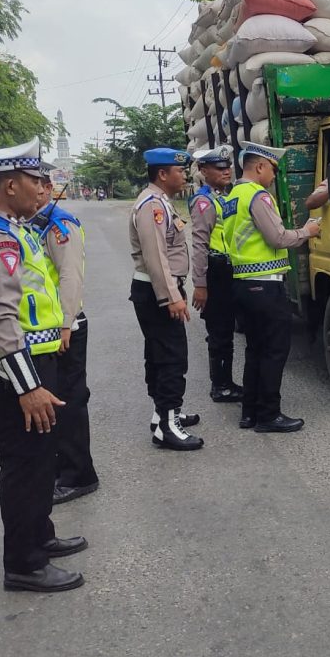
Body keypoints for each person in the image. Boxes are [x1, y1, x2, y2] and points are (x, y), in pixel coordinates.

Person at [0, 138, 86, 592]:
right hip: (18, 368)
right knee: (25, 463)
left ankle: (41, 535)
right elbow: (1, 318)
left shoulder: (13, 228)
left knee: (41, 457)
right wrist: (29, 387)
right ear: (10, 185)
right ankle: (24, 563)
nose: (43, 187)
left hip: (34, 360)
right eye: (35, 179)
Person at [221, 142, 321, 432]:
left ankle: (250, 412)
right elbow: (278, 238)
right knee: (275, 351)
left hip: (243, 283)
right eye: (273, 171)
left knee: (256, 349)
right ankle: (269, 415)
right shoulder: (257, 196)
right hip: (264, 286)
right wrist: (308, 231)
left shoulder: (234, 195)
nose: (274, 177)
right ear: (260, 167)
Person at [29, 166, 100, 506]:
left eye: (34, 185)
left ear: (45, 189)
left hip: (65, 328)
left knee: (70, 403)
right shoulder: (35, 224)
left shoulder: (59, 225)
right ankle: (64, 468)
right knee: (58, 401)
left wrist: (66, 323)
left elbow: (70, 276)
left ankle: (79, 475)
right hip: (52, 328)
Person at [129, 148, 203, 451]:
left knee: (161, 354)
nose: (184, 175)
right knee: (171, 357)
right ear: (163, 174)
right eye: (179, 171)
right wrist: (172, 297)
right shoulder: (151, 206)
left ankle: (164, 414)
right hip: (159, 291)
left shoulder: (161, 201)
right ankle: (167, 427)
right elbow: (156, 256)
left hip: (158, 289)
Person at [189, 145, 244, 403]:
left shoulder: (222, 196)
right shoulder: (203, 202)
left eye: (227, 167)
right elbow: (199, 244)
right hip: (215, 270)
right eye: (219, 168)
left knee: (225, 329)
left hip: (227, 269)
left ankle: (226, 382)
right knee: (219, 331)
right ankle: (220, 385)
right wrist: (200, 284)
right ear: (203, 171)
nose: (226, 171)